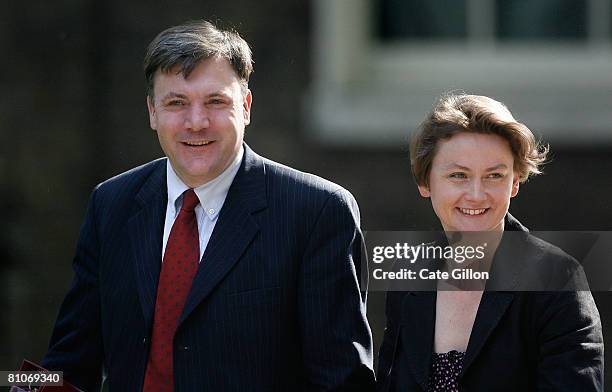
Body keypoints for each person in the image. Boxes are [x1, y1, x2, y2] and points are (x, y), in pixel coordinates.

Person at [41, 20, 375, 391]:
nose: (196, 122)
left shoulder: (317, 212)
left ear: (245, 107)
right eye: (176, 103)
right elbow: (68, 364)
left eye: (216, 102)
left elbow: (342, 381)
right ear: (152, 112)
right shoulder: (112, 203)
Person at [376, 94, 604, 391]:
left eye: (494, 176)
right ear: (425, 182)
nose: (476, 194)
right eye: (458, 175)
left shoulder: (558, 279)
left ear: (515, 182)